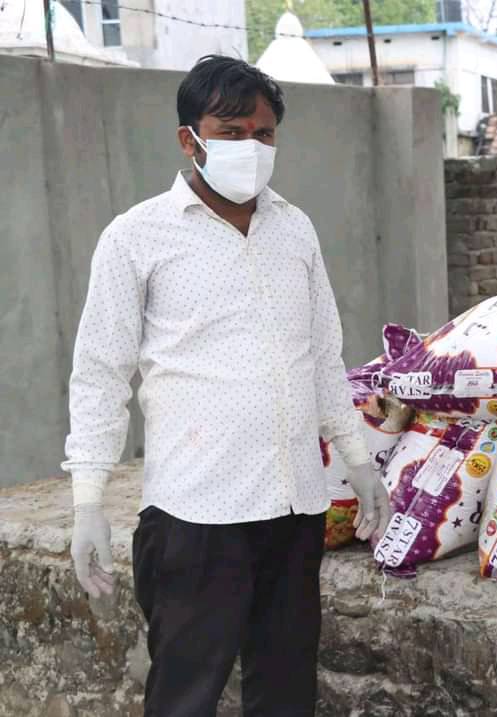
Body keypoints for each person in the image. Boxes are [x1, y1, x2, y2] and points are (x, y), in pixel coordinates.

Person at [63, 55, 389, 716]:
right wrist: (87, 499)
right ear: (191, 139)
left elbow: (322, 356)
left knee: (285, 690)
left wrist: (357, 460)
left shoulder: (294, 229)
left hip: (294, 510)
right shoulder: (136, 238)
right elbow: (100, 375)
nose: (251, 147)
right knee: (185, 694)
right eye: (232, 133)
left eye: (264, 135)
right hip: (196, 515)